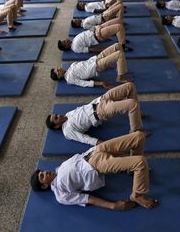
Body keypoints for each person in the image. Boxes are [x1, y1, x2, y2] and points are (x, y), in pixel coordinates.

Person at [31, 131, 159, 210]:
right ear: (44, 186)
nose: (45, 172)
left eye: (42, 172)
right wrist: (113, 206)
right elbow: (87, 198)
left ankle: (131, 170)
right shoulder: (60, 194)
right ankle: (137, 195)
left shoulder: (59, 168)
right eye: (42, 176)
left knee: (138, 136)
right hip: (96, 165)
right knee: (141, 162)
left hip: (95, 150)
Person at [46, 82, 146, 145]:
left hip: (100, 100)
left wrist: (101, 98)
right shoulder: (67, 131)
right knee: (132, 104)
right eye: (56, 118)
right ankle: (135, 132)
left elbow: (86, 107)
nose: (59, 115)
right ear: (56, 126)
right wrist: (101, 143)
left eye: (56, 115)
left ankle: (136, 113)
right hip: (100, 112)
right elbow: (84, 139)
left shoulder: (67, 114)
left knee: (129, 86)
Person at [51, 43, 132, 88]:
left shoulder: (70, 67)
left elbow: (85, 63)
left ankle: (122, 69)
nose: (59, 69)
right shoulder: (69, 78)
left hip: (95, 59)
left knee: (117, 46)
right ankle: (120, 78)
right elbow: (82, 83)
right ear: (59, 77)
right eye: (57, 71)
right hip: (96, 67)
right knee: (119, 54)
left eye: (57, 68)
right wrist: (100, 83)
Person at [58, 19, 129, 54]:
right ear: (66, 47)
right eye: (64, 42)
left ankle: (121, 38)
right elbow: (90, 49)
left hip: (96, 29)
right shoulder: (75, 48)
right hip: (98, 35)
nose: (66, 40)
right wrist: (106, 50)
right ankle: (122, 46)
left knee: (118, 20)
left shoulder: (74, 40)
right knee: (119, 27)